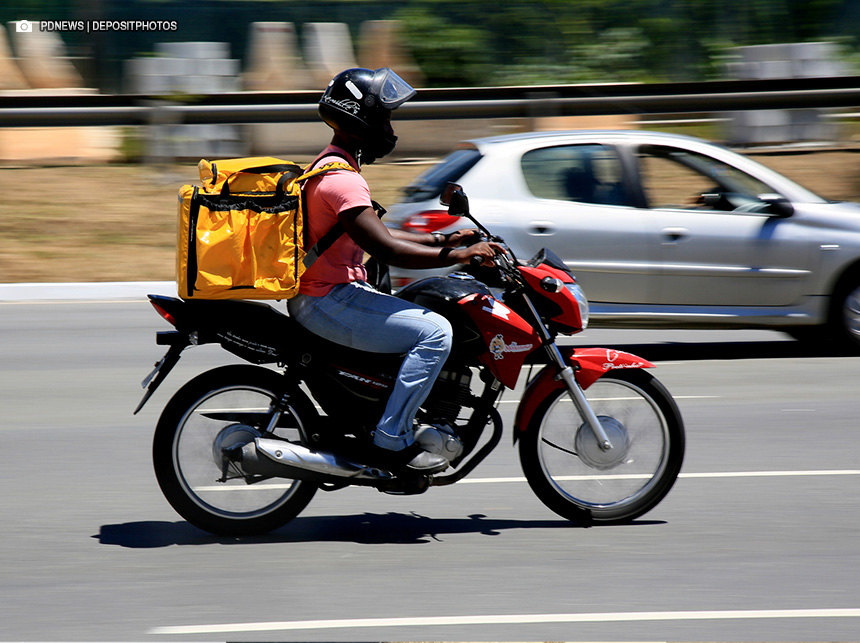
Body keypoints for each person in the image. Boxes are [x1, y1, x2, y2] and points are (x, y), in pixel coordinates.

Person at [287, 67, 501, 475]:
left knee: (422, 312)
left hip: (329, 296)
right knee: (436, 331)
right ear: (358, 118)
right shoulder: (343, 181)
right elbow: (384, 247)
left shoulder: (333, 168)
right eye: (384, 118)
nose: (389, 128)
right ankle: (392, 439)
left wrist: (446, 241)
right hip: (327, 301)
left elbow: (379, 234)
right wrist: (458, 257)